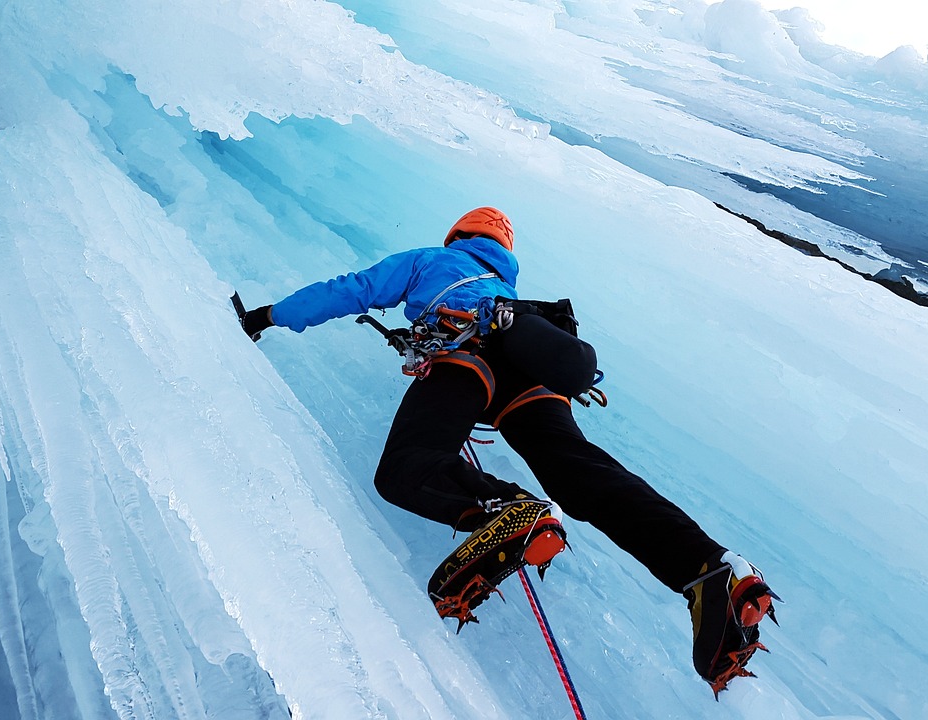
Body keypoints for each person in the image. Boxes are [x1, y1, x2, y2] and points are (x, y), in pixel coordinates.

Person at [238, 207, 778, 694]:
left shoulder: (432, 261)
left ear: (457, 237)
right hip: (534, 376)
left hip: (466, 357)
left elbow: (351, 288)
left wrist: (267, 316)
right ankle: (711, 568)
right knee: (579, 472)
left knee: (407, 467)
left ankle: (509, 509)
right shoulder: (512, 296)